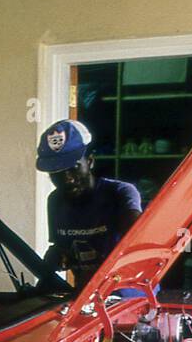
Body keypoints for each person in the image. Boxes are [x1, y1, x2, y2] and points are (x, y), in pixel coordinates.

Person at [37, 119, 142, 287]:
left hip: (127, 299)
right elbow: (62, 248)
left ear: (90, 161)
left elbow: (139, 239)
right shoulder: (55, 201)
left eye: (74, 168)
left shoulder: (120, 193)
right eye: (57, 173)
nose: (67, 179)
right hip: (86, 300)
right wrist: (57, 256)